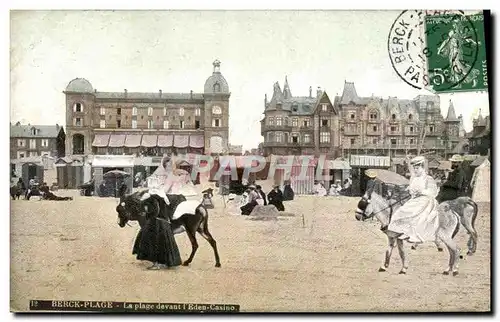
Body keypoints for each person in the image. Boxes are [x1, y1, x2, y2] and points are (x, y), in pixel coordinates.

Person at [386, 156, 439, 243]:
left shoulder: (428, 178)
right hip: (414, 200)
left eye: (417, 168)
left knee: (414, 214)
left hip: (425, 200)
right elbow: (411, 189)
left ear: (422, 167)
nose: (415, 170)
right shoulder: (414, 178)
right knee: (400, 212)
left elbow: (433, 192)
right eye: (414, 168)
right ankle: (402, 232)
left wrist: (422, 191)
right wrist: (409, 190)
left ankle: (413, 235)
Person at [132, 194, 182, 270]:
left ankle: (156, 264)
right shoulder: (163, 198)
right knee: (165, 243)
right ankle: (168, 262)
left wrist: (147, 214)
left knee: (153, 243)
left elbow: (155, 211)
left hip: (156, 223)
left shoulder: (151, 199)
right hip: (164, 223)